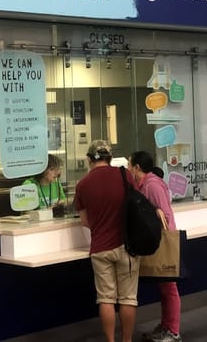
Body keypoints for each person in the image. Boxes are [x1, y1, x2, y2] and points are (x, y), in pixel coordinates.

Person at [75, 140, 139, 342]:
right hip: (126, 245)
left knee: (105, 299)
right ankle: (126, 340)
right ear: (110, 158)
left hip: (100, 248)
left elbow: (85, 221)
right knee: (128, 298)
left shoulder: (82, 184)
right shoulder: (124, 175)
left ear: (88, 159)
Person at [128, 151, 182, 342]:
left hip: (162, 242)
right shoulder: (146, 184)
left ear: (137, 167)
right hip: (157, 240)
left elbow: (165, 216)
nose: (128, 169)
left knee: (169, 288)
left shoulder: (152, 185)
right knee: (165, 289)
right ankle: (166, 326)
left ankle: (173, 331)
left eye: (129, 165)